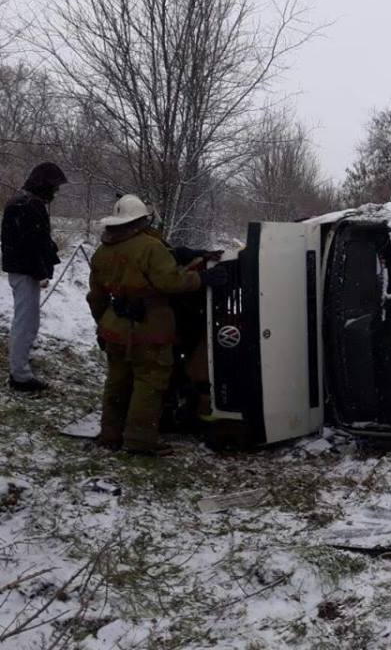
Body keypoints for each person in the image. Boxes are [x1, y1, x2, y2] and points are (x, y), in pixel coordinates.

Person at [86, 194, 227, 455]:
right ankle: (140, 440)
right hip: (150, 329)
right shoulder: (150, 247)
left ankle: (110, 435)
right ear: (141, 220)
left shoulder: (102, 252)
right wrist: (204, 278)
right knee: (149, 384)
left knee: (117, 383)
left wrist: (102, 327)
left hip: (115, 327)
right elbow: (170, 281)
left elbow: (96, 297)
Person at [1, 162, 68, 392]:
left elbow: (34, 241)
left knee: (27, 322)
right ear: (43, 184)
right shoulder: (27, 205)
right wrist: (41, 272)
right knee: (25, 323)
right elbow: (31, 244)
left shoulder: (23, 202)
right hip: (25, 271)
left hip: (23, 269)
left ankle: (20, 368)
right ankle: (19, 376)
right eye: (53, 187)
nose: (55, 192)